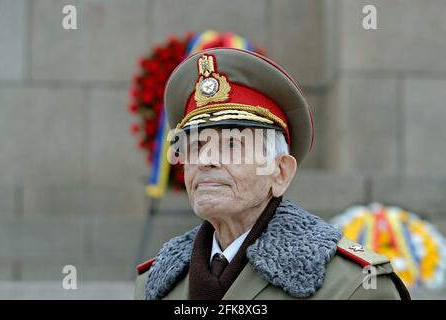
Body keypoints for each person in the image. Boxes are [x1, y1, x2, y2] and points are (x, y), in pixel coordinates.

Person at [134, 48, 410, 300]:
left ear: (280, 173)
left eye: (232, 145)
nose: (206, 161)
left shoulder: (352, 286)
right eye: (196, 146)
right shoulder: (154, 284)